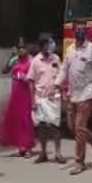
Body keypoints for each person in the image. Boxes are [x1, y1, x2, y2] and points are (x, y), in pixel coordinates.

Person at [56, 21, 92, 175]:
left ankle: (79, 161)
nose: (80, 32)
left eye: (83, 30)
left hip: (87, 92)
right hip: (73, 93)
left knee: (79, 127)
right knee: (73, 127)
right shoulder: (70, 49)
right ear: (73, 31)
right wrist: (57, 83)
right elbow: (64, 69)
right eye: (78, 29)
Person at [26, 33, 65, 164]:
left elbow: (61, 75)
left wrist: (59, 89)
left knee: (55, 126)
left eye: (50, 43)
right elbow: (30, 81)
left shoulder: (56, 59)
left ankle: (58, 153)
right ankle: (43, 153)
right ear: (42, 46)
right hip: (40, 98)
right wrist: (32, 101)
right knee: (41, 126)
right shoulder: (35, 61)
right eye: (47, 44)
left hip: (53, 98)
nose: (50, 46)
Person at [0, 39, 35, 157]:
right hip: (15, 94)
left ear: (27, 49)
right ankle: (21, 146)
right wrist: (10, 57)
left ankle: (28, 147)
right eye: (19, 48)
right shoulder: (14, 59)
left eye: (23, 47)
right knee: (16, 120)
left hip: (26, 94)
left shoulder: (32, 61)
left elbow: (35, 78)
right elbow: (4, 71)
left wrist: (26, 78)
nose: (21, 50)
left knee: (26, 121)